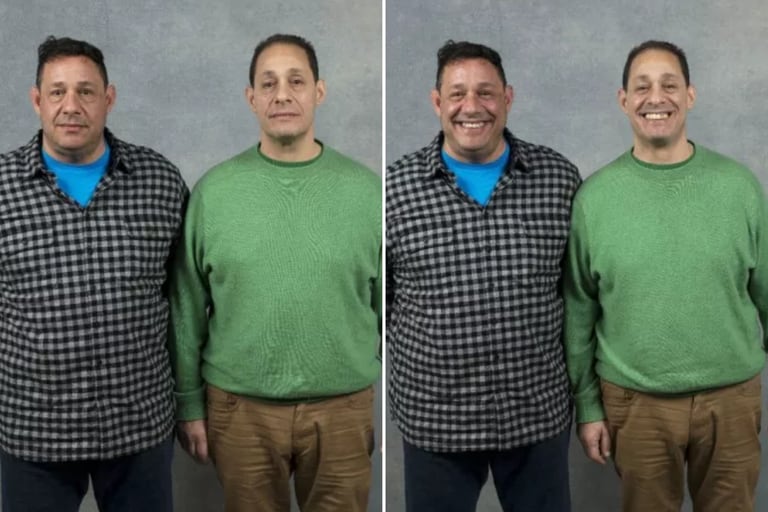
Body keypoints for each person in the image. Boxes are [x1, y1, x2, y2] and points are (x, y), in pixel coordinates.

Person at [168, 33, 381, 512]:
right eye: (268, 83)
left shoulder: (368, 193)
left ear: (319, 92)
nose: (282, 94)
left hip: (343, 409)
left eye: (295, 81)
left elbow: (396, 311)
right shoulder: (214, 193)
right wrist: (188, 403)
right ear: (251, 98)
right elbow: (186, 308)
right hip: (239, 411)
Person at [564, 40, 767, 512]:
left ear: (690, 95)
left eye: (669, 85)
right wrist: (588, 406)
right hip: (637, 407)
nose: (656, 98)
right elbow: (578, 310)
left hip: (732, 402)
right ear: (623, 100)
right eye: (642, 87)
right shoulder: (594, 199)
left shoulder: (739, 187)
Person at [386, 40, 581, 512]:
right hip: (437, 421)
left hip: (536, 414)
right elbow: (380, 303)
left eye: (486, 93)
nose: (471, 107)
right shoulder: (395, 191)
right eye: (457, 94)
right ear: (437, 102)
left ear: (508, 98)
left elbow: (576, 297)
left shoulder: (558, 179)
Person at [0, 36, 188, 512]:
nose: (71, 105)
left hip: (139, 428)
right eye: (57, 91)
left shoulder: (160, 181)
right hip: (34, 432)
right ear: (36, 100)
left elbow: (185, 298)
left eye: (86, 91)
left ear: (109, 98)